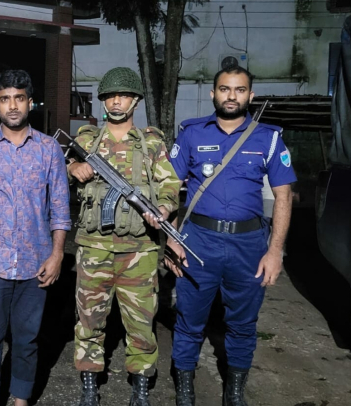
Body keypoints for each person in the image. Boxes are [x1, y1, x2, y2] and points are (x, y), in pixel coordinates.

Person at [166, 66, 296, 406]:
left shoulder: (268, 138)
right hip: (199, 241)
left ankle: (235, 392)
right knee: (189, 319)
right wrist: (171, 237)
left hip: (248, 246)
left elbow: (283, 196)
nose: (231, 96)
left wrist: (275, 252)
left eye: (239, 90)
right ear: (213, 93)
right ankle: (184, 389)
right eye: (224, 89)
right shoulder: (192, 134)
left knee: (242, 323)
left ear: (250, 96)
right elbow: (167, 190)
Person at [67, 67, 180, 406]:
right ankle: (89, 385)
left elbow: (170, 184)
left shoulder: (151, 143)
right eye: (111, 95)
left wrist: (162, 210)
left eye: (124, 95)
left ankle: (141, 387)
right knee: (89, 320)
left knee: (141, 322)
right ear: (103, 101)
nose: (117, 101)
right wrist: (73, 168)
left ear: (135, 101)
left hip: (140, 251)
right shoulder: (87, 140)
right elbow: (60, 169)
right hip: (93, 249)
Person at [0, 70, 71, 406]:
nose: (13, 105)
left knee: (27, 339)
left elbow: (60, 207)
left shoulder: (49, 149)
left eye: (19, 98)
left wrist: (57, 254)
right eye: (5, 99)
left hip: (35, 263)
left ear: (30, 102)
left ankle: (21, 398)